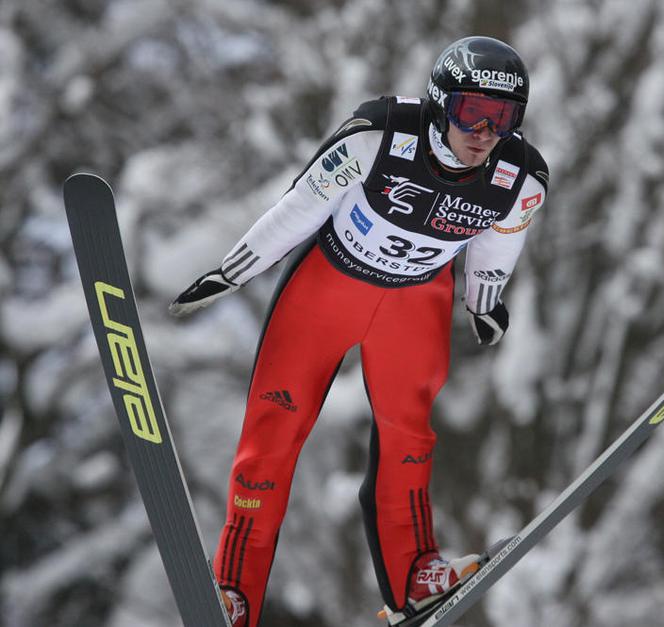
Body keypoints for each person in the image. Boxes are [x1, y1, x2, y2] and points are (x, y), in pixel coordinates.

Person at [169, 35, 549, 627]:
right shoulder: (377, 136)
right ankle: (233, 592)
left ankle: (415, 577)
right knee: (274, 435)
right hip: (328, 287)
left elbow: (500, 245)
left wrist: (484, 302)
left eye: (502, 118)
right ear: (440, 102)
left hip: (416, 302)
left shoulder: (520, 176)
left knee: (410, 438)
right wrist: (232, 271)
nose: (484, 131)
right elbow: (298, 209)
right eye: (472, 111)